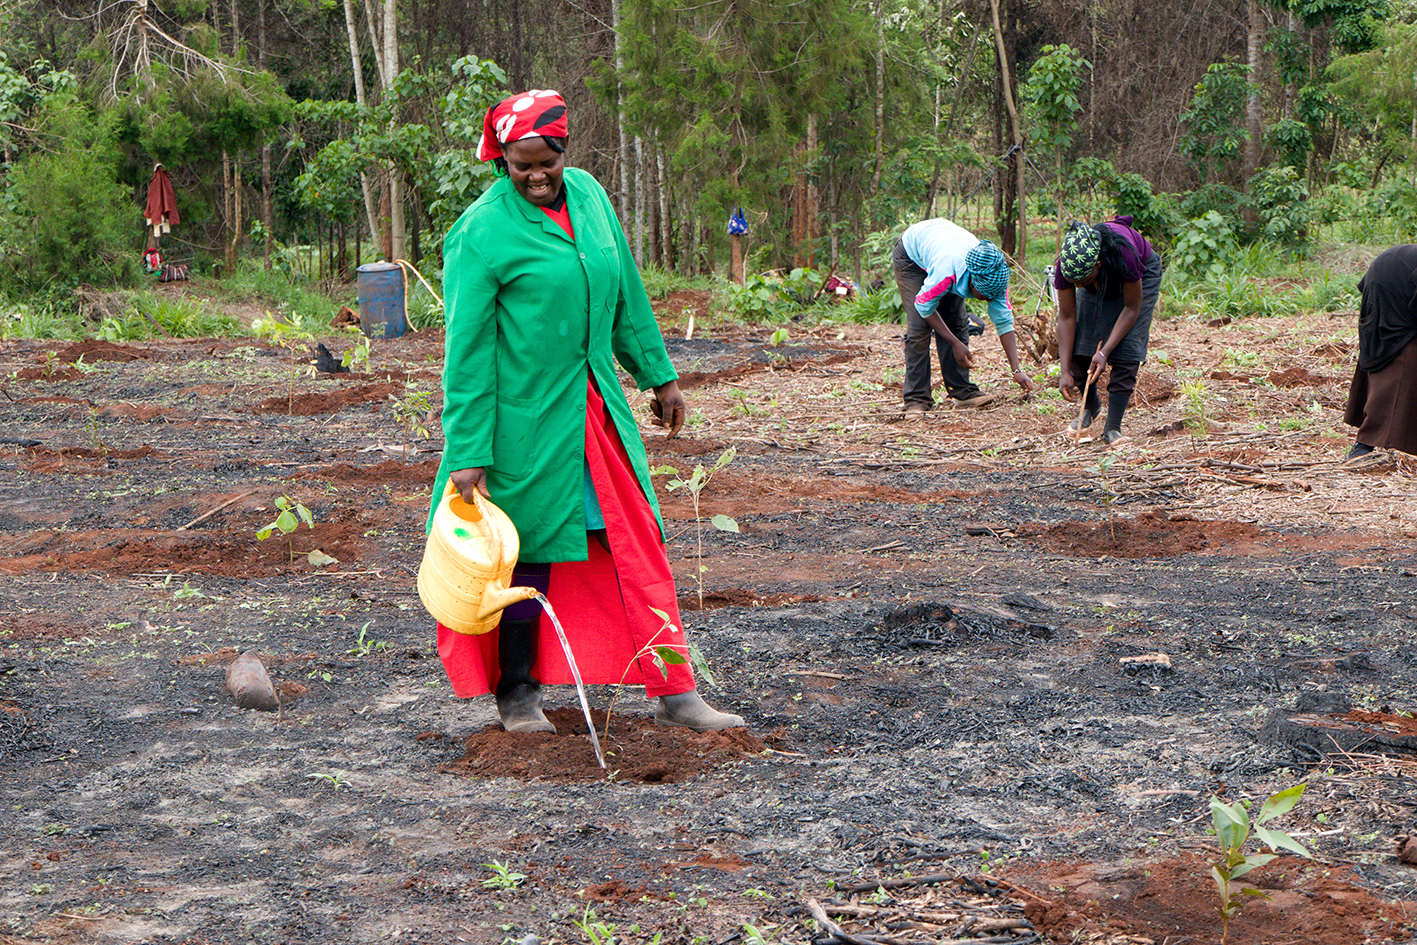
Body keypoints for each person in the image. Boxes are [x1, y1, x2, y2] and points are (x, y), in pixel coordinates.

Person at [430, 89, 743, 734]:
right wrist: (467, 454)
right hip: (523, 428)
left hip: (597, 413)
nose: (537, 176)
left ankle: (676, 692)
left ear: (564, 151)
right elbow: (466, 356)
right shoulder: (480, 235)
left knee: (638, 546)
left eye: (547, 161)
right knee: (521, 559)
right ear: (501, 162)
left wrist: (660, 378)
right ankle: (517, 695)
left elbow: (624, 288)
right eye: (522, 166)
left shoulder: (592, 198)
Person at [894, 218, 1036, 421]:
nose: (989, 300)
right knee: (919, 328)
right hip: (911, 256)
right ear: (971, 282)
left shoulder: (994, 278)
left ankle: (962, 392)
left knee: (957, 323)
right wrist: (954, 344)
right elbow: (924, 306)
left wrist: (1017, 370)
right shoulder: (947, 271)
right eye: (985, 296)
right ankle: (916, 400)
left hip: (944, 246)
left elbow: (1004, 324)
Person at [1054, 216, 1163, 446]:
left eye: (1083, 281)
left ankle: (1113, 428)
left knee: (1128, 348)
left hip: (1140, 275)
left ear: (1098, 264)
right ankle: (1090, 406)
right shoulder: (1069, 266)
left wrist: (1104, 353)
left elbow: (1132, 308)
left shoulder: (1125, 254)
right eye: (1076, 284)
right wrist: (1065, 371)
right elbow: (1066, 317)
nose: (1079, 287)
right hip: (1099, 274)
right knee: (1081, 342)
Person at [1343, 244, 1417, 459]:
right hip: (1393, 288)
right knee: (1402, 358)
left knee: (1388, 351)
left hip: (1384, 281)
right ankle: (1363, 446)